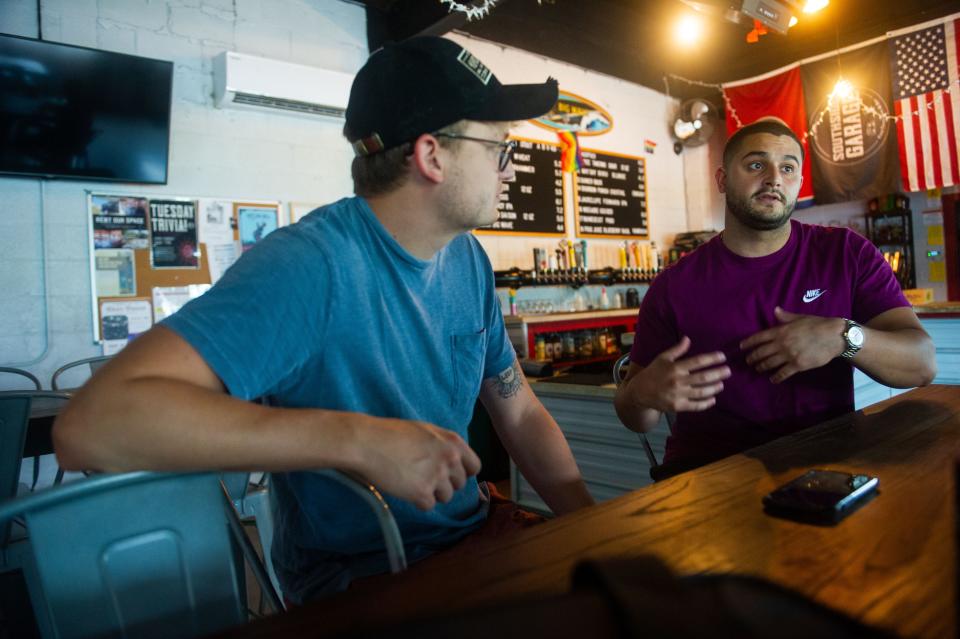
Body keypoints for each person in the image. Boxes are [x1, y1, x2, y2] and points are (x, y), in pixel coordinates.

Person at [54, 36, 594, 602]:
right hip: (366, 573)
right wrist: (356, 440)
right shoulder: (310, 266)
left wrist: (593, 528)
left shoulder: (467, 260)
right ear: (433, 155)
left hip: (472, 535)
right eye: (498, 148)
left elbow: (521, 413)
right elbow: (90, 427)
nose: (508, 170)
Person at [614, 118, 936, 474]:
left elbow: (922, 364)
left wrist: (841, 336)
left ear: (799, 183)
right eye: (755, 165)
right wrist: (643, 393)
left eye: (787, 168)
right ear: (722, 180)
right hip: (710, 475)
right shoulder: (673, 285)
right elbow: (635, 419)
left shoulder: (845, 253)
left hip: (823, 466)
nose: (773, 178)